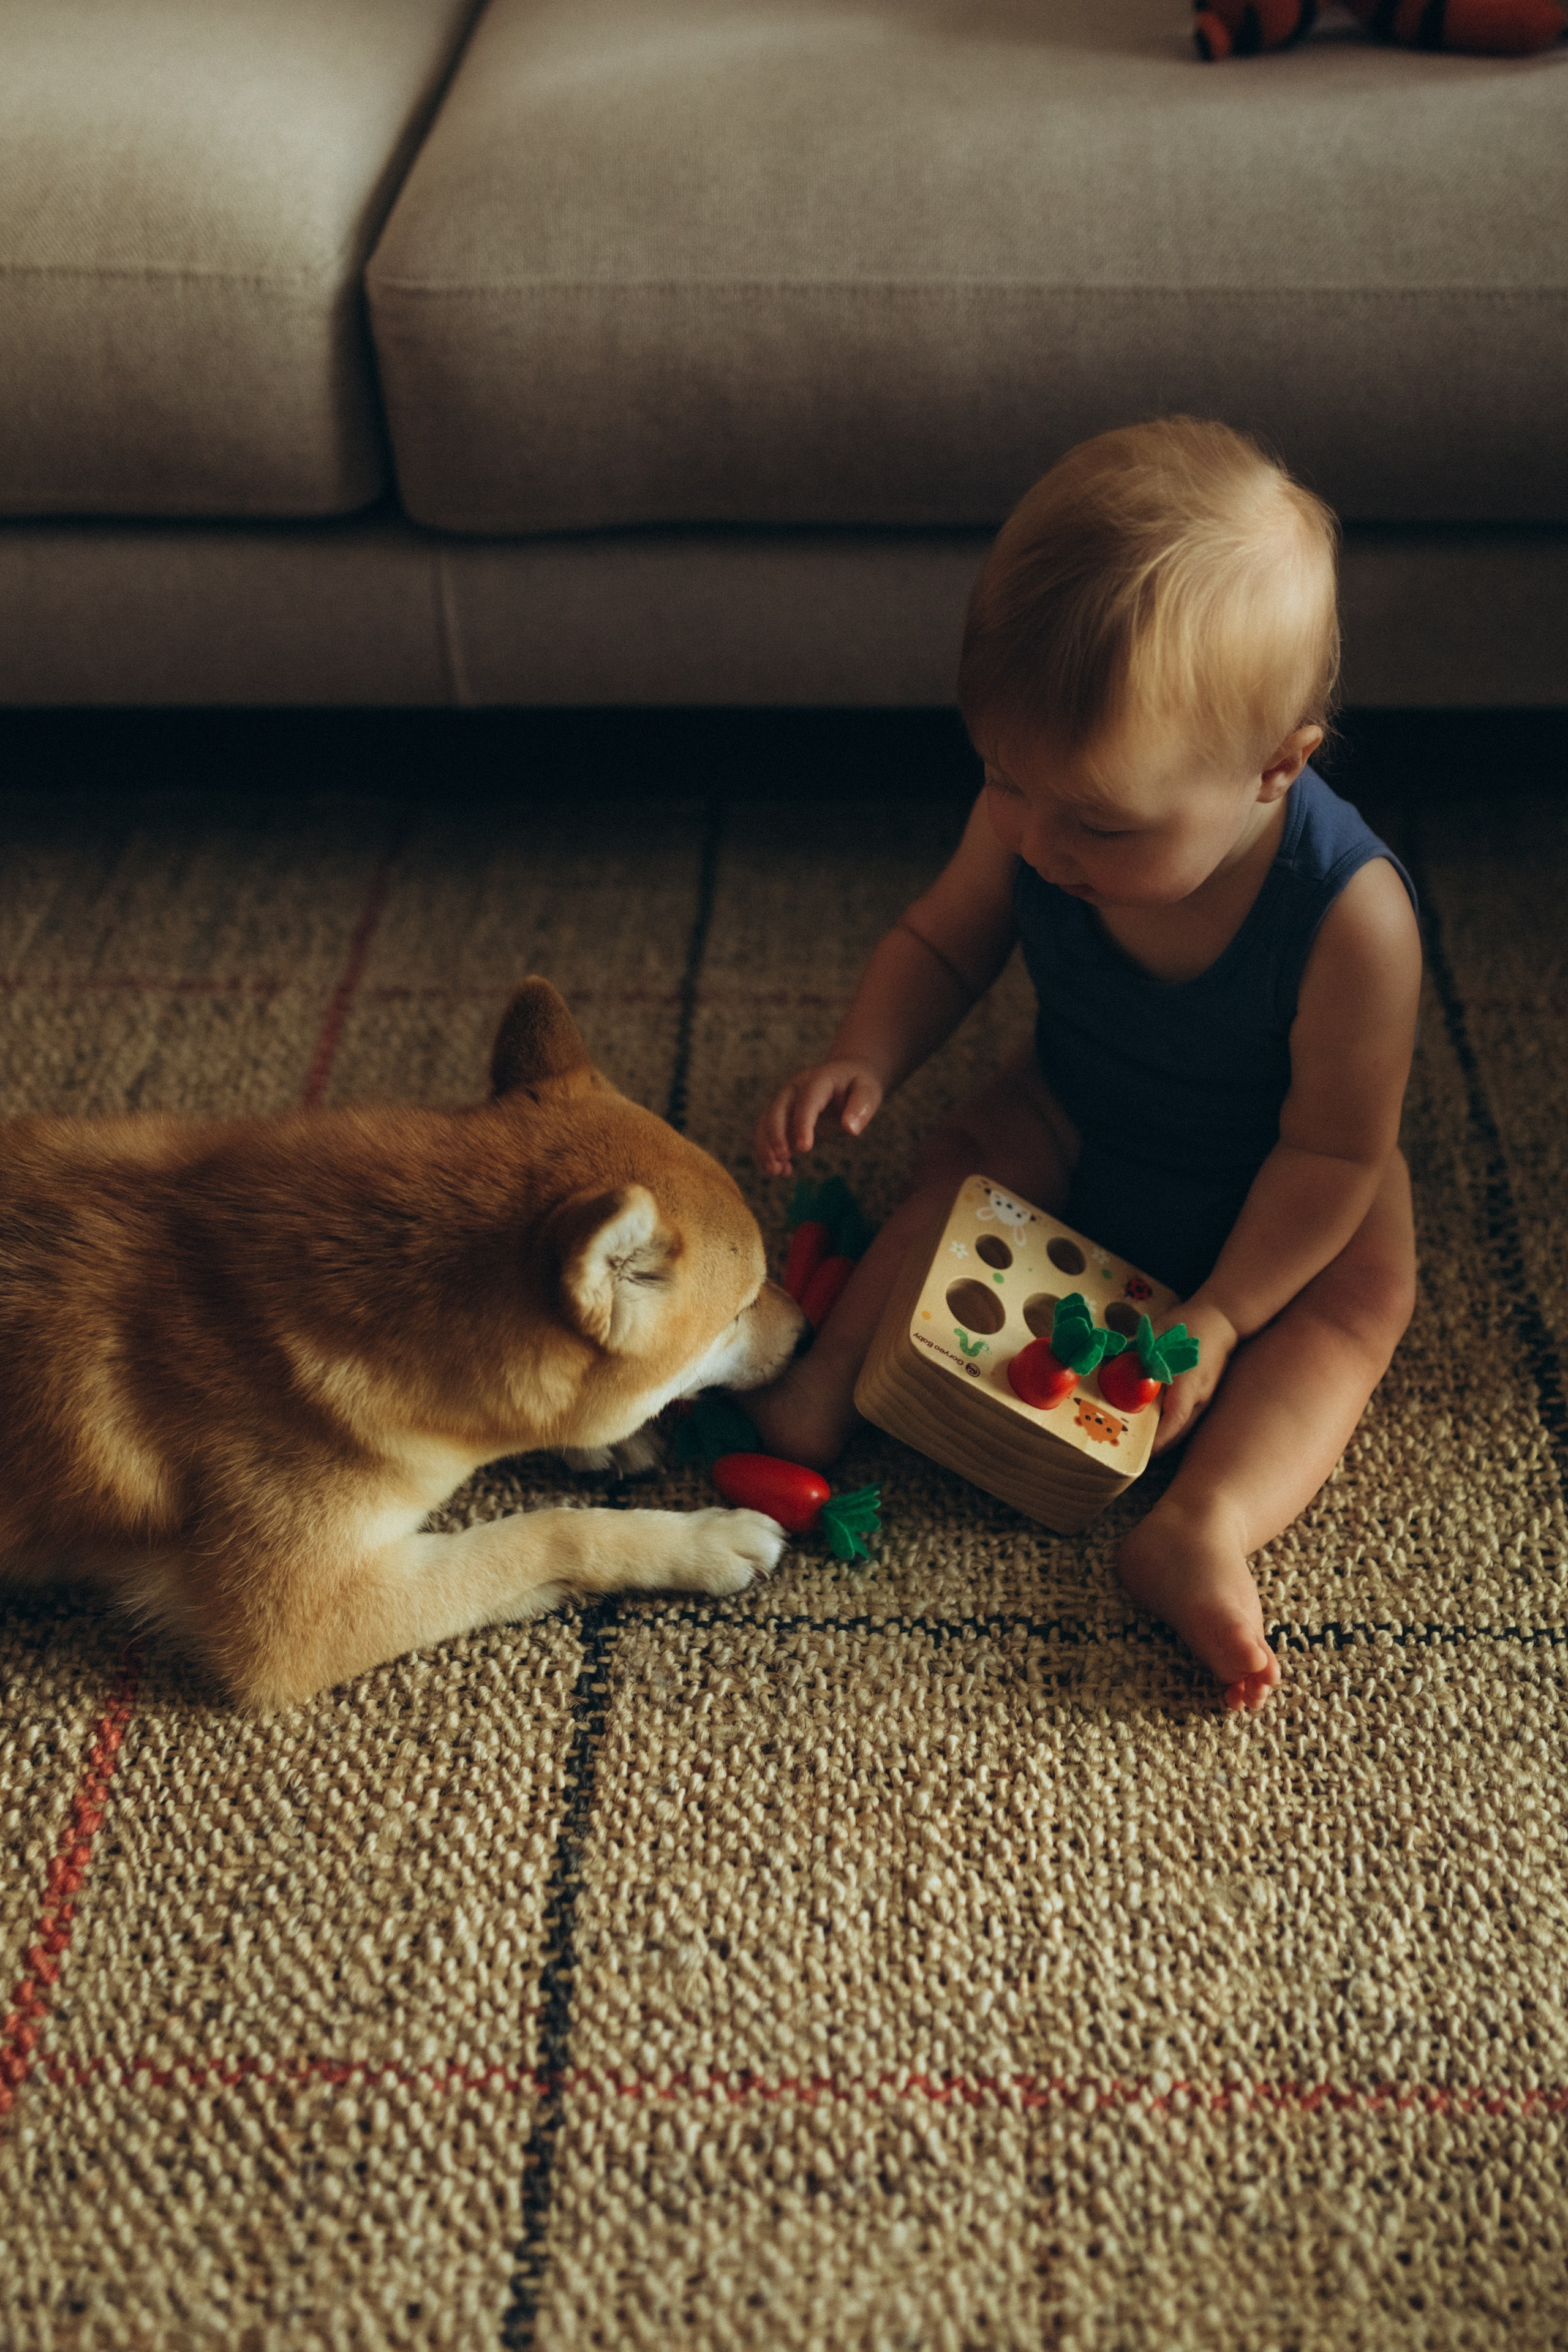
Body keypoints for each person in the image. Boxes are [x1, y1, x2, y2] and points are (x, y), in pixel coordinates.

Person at [748, 417, 1422, 1711]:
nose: (1038, 842)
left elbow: (1334, 1145)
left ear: (1275, 768)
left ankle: (1202, 1527)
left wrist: (1221, 1315)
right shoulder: (1037, 803)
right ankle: (825, 1378)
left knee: (1356, 1304)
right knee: (966, 1152)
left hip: (1280, 1182)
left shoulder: (1353, 919)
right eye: (1003, 781)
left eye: (1098, 824)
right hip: (1078, 1103)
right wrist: (863, 1056)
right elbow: (941, 943)